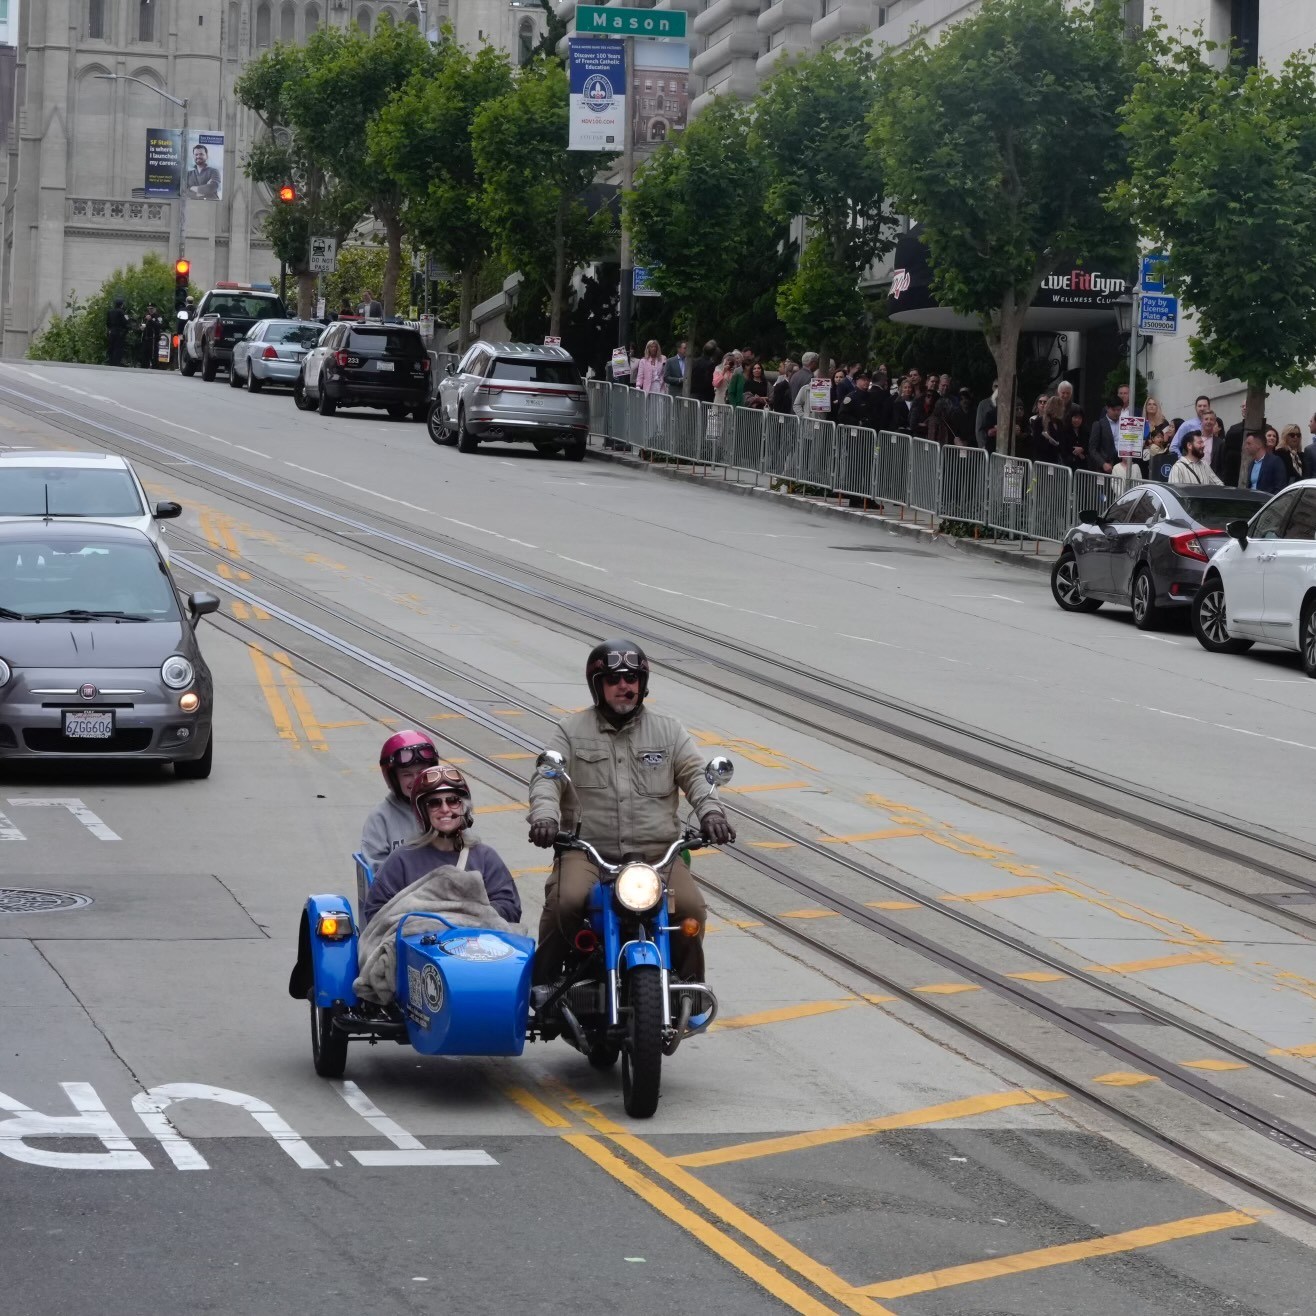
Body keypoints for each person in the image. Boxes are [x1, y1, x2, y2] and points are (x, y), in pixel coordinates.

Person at [527, 639, 735, 986]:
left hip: (658, 856)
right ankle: (541, 987)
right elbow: (546, 779)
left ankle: (689, 989)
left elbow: (696, 776)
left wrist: (712, 813)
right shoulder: (571, 731)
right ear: (599, 686)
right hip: (588, 854)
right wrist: (544, 818)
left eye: (632, 679)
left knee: (691, 910)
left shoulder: (669, 732)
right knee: (565, 903)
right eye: (614, 679)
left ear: (643, 683)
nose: (625, 686)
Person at [362, 762, 521, 926]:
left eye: (453, 801)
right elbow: (376, 911)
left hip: (476, 945)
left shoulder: (485, 858)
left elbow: (510, 907)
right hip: (417, 946)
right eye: (434, 803)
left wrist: (466, 919)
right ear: (422, 812)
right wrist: (423, 924)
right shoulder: (401, 860)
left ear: (464, 808)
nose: (445, 809)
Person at [360, 730, 441, 867]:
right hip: (401, 887)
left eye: (421, 772)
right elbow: (376, 869)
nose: (416, 780)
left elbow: (467, 852)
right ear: (394, 779)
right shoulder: (380, 818)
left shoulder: (446, 807)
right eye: (407, 775)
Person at [1242, 430, 1288, 495]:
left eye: (1249, 444)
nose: (1246, 447)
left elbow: (1280, 487)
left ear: (1258, 445)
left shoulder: (1275, 461)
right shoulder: (1251, 464)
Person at [1088, 395, 1121, 474]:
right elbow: (1092, 449)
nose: (1116, 412)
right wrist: (1103, 463)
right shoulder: (1099, 424)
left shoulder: (1125, 424)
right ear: (1107, 408)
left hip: (1121, 465)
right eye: (1113, 410)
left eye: (1119, 410)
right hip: (1105, 467)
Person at [975, 382, 998, 453]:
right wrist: (982, 446)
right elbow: (979, 427)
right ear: (992, 387)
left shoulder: (1008, 404)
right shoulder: (983, 404)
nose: (998, 389)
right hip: (988, 445)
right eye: (996, 386)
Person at [105, 297, 128, 367]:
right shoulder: (121, 312)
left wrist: (110, 328)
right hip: (119, 332)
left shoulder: (110, 311)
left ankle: (110, 361)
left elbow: (107, 322)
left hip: (112, 331)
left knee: (111, 346)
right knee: (118, 347)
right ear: (121, 305)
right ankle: (116, 362)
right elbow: (125, 322)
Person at [139, 303, 164, 368]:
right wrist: (141, 327)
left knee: (153, 355)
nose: (150, 310)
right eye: (149, 309)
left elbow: (159, 326)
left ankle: (154, 368)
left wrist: (151, 320)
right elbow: (142, 324)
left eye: (152, 309)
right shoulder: (146, 316)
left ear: (155, 309)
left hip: (153, 339)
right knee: (144, 355)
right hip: (145, 338)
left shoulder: (158, 316)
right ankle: (143, 367)